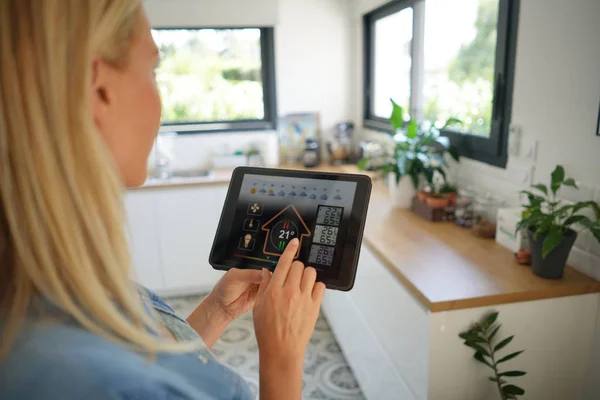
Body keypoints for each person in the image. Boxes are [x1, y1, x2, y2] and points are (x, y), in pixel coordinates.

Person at [0, 1, 326, 399]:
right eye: (152, 70)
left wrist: (216, 312)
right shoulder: (76, 375)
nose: (160, 105)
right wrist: (282, 359)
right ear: (97, 88)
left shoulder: (51, 277)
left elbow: (157, 369)